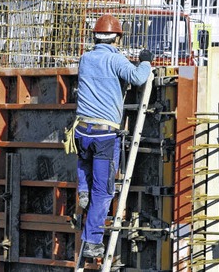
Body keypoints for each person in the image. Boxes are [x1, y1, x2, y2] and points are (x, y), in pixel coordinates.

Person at [75, 14, 153, 258]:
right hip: (104, 136)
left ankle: (82, 191)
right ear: (117, 37)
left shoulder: (85, 59)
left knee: (85, 167)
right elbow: (139, 77)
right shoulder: (115, 60)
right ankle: (91, 242)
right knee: (104, 192)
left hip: (81, 131)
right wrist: (145, 61)